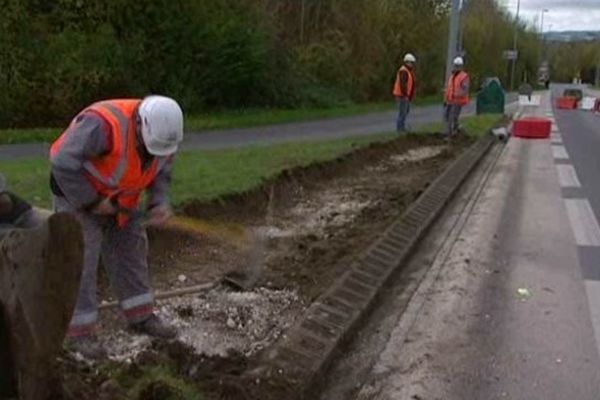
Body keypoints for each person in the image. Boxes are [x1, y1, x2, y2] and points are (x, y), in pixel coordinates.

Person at [49, 95, 184, 358]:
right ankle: (79, 334)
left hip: (121, 199)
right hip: (78, 195)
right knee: (81, 259)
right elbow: (62, 161)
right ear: (138, 125)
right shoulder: (101, 124)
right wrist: (93, 201)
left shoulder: (165, 134)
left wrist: (159, 202)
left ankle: (140, 317)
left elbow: (162, 170)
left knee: (131, 252)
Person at [444, 56, 470, 138]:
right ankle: (456, 130)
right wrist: (446, 98)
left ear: (461, 67)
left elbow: (465, 90)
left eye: (458, 66)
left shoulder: (464, 76)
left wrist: (458, 94)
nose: (456, 67)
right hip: (451, 100)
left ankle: (450, 134)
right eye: (455, 65)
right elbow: (449, 88)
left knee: (452, 117)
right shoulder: (452, 76)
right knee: (448, 117)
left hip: (458, 101)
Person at [393, 53, 417, 133]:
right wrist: (406, 95)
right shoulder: (403, 71)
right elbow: (403, 84)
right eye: (411, 63)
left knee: (405, 111)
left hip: (404, 95)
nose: (412, 65)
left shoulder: (408, 71)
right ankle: (400, 129)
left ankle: (402, 127)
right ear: (407, 62)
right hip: (402, 95)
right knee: (402, 113)